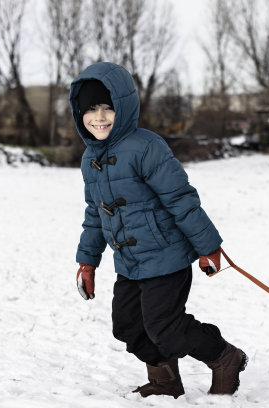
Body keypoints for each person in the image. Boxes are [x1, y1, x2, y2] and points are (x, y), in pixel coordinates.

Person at [70, 61, 247, 399]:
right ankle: (166, 382)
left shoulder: (147, 146)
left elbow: (181, 199)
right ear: (79, 113)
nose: (100, 116)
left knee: (164, 326)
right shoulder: (89, 158)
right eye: (90, 109)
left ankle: (225, 358)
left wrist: (207, 246)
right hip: (129, 263)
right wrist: (87, 262)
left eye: (108, 107)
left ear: (124, 106)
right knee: (128, 326)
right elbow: (95, 213)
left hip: (166, 256)